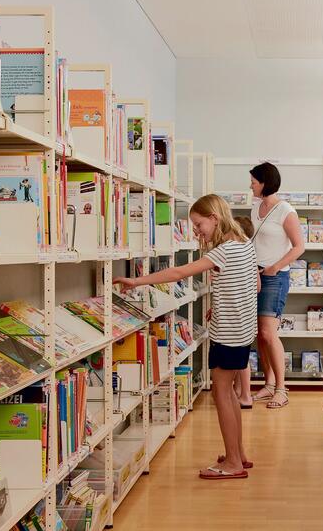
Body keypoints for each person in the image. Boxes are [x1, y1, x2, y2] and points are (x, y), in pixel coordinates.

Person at [115, 194, 257, 480]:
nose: (196, 231)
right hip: (241, 331)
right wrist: (219, 306)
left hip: (228, 335)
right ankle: (237, 453)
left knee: (221, 394)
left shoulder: (224, 250)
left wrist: (137, 281)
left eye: (198, 224)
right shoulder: (244, 243)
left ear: (214, 219)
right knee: (228, 394)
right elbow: (248, 284)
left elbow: (179, 272)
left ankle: (232, 464)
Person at [248, 163, 305, 409]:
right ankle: (269, 383)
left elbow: (299, 246)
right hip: (255, 275)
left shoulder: (286, 211)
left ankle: (282, 388)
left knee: (270, 333)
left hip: (275, 277)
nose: (250, 184)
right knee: (260, 334)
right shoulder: (255, 208)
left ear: (264, 182)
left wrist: (273, 267)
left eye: (253, 180)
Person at [232, 215, 257, 409]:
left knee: (241, 359)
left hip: (238, 314)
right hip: (247, 314)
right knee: (243, 357)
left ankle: (245, 395)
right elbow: (257, 285)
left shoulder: (237, 253)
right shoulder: (250, 252)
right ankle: (240, 392)